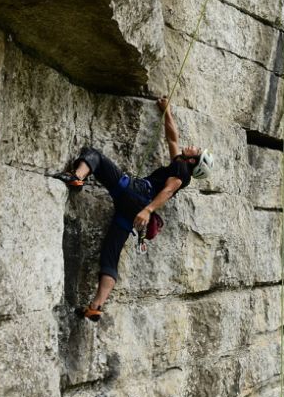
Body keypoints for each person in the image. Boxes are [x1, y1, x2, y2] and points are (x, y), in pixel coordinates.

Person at [54, 98, 214, 321]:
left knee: (94, 155)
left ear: (194, 161)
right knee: (110, 255)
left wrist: (148, 210)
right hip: (130, 211)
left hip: (136, 195)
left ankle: (77, 177)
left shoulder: (181, 173)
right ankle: (96, 306)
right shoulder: (180, 165)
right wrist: (167, 112)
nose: (193, 147)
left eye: (196, 150)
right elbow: (172, 138)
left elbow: (169, 190)